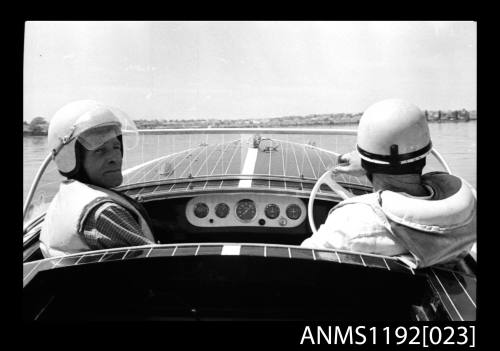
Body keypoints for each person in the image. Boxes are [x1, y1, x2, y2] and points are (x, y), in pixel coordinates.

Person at [301, 99, 476, 268]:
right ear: (425, 153)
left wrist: (367, 161)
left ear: (366, 163)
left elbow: (304, 260)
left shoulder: (351, 222)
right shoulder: (467, 207)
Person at [40, 100, 156, 258]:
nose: (115, 158)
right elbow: (154, 263)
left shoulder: (68, 195)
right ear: (72, 158)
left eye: (116, 147)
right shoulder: (105, 213)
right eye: (100, 150)